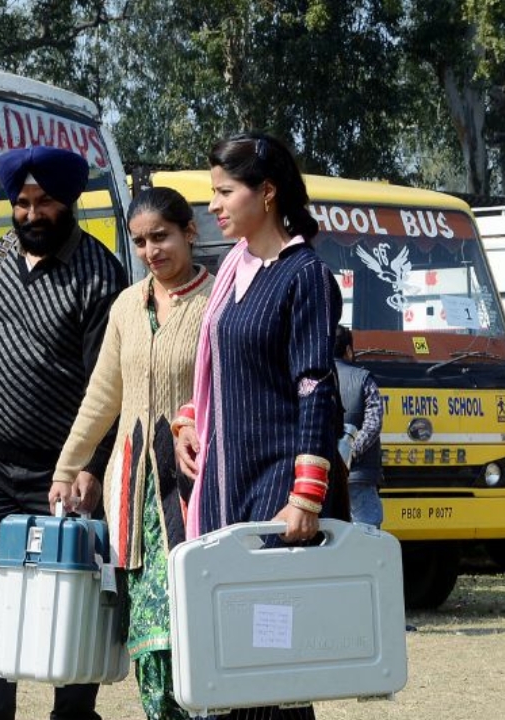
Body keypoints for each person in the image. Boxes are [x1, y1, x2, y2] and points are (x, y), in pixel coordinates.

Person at [0, 146, 127, 720]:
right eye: (22, 203)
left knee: (72, 599)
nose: (31, 214)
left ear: (70, 203)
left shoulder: (100, 274)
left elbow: (106, 387)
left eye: (44, 203)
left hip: (61, 472)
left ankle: (72, 714)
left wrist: (91, 467)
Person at [173, 132, 343, 720]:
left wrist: (305, 496)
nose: (213, 205)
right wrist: (190, 420)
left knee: (270, 656)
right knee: (226, 655)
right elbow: (224, 371)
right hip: (223, 482)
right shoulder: (233, 272)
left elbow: (315, 387)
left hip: (276, 486)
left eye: (224, 192)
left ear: (266, 193)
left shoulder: (305, 276)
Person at [50, 187, 212, 720]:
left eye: (161, 236)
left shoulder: (217, 301)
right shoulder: (126, 304)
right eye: (140, 241)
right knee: (146, 639)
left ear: (189, 232)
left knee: (192, 630)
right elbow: (102, 397)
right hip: (132, 494)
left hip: (196, 487)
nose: (150, 251)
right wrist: (68, 468)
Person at [333, 325, 383, 528]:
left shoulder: (312, 378)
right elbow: (374, 423)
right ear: (348, 351)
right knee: (366, 534)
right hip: (358, 475)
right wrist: (349, 453)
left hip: (318, 475)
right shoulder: (364, 379)